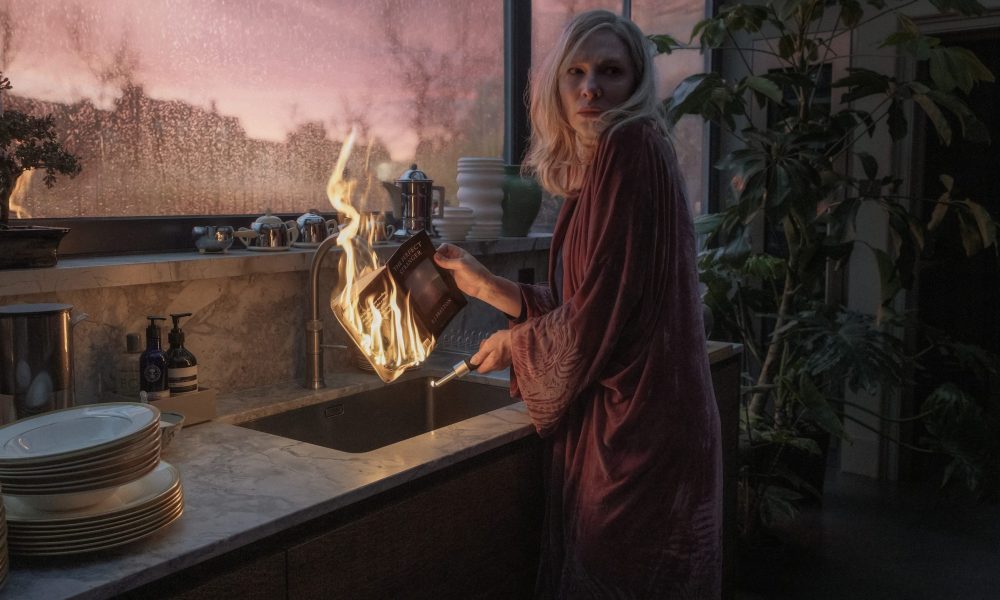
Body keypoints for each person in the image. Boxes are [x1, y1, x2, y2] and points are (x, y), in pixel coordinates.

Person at [434, 9, 721, 599]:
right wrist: (487, 284)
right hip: (650, 423)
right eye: (577, 72)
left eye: (610, 71)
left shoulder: (629, 143)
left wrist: (516, 343)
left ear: (636, 81)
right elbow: (592, 300)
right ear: (556, 88)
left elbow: (596, 318)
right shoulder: (605, 164)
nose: (591, 87)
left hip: (639, 436)